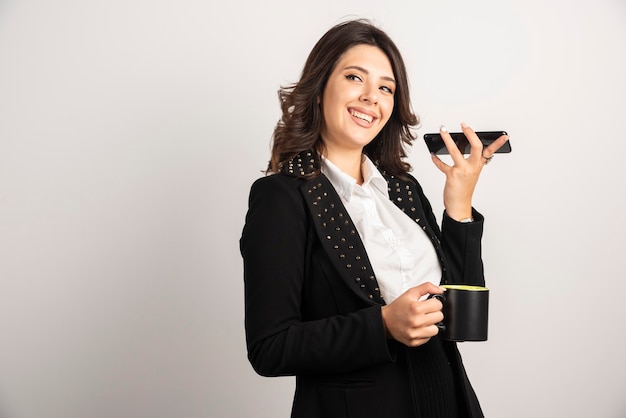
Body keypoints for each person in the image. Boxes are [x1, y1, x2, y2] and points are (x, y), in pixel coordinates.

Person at [240, 19, 508, 418]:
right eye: (354, 78)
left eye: (386, 87)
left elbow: (463, 323)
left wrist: (459, 205)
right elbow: (270, 347)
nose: (371, 97)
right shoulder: (282, 197)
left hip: (447, 400)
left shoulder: (403, 190)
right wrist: (382, 325)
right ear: (319, 89)